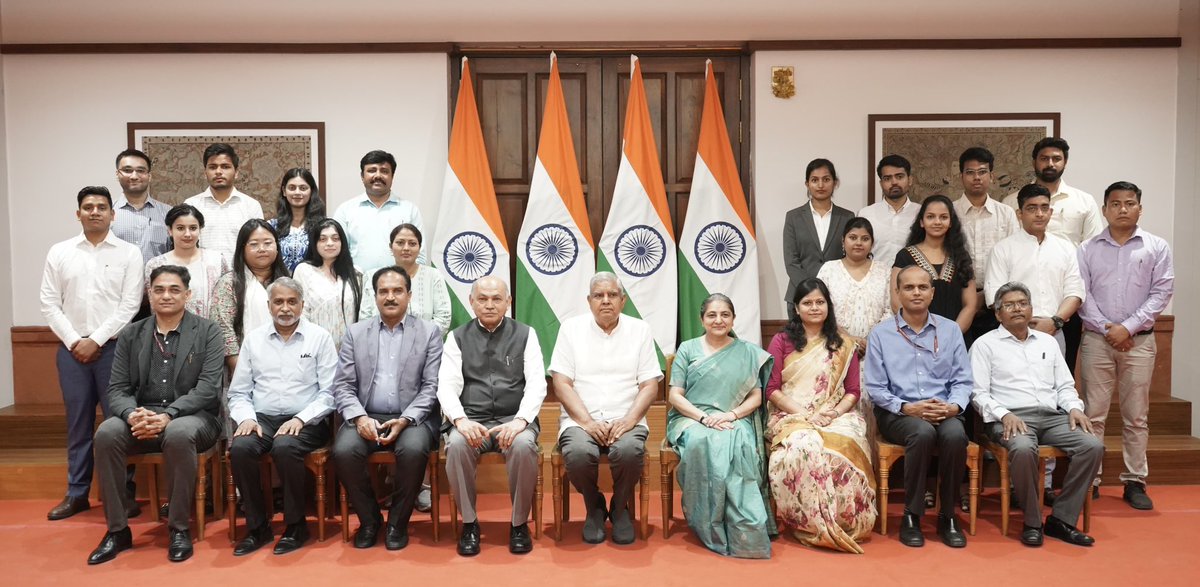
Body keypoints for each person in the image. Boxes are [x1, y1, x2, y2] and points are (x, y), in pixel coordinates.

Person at [87, 265, 225, 564]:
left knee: (177, 433)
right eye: (159, 289)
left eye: (174, 290)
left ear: (187, 294)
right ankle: (117, 530)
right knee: (107, 433)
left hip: (195, 416)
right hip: (143, 413)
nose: (166, 295)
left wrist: (169, 415)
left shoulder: (207, 331)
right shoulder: (132, 334)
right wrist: (131, 415)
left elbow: (208, 389)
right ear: (149, 294)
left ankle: (178, 528)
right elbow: (118, 389)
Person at [970, 282, 1103, 547]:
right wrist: (1004, 414)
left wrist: (1075, 408)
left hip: (1051, 416)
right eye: (1009, 305)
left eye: (1022, 303)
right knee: (1021, 447)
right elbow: (977, 393)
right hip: (1009, 418)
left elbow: (1065, 385)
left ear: (1031, 309)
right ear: (998, 314)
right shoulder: (985, 345)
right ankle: (1032, 521)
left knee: (1092, 446)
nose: (1017, 309)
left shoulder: (1048, 342)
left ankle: (1062, 520)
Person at [39, 186, 143, 522]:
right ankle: (77, 493)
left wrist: (96, 340)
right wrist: (75, 341)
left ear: (113, 214)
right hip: (72, 352)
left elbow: (130, 303)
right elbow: (49, 303)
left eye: (101, 207)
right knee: (78, 424)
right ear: (78, 214)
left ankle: (123, 495)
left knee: (119, 424)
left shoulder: (129, 253)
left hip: (115, 349)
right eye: (88, 207)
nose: (94, 212)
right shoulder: (60, 252)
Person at [1078, 181, 1174, 510]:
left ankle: (1135, 480)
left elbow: (1161, 293)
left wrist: (1127, 327)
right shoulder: (1087, 248)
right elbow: (1081, 293)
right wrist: (1109, 329)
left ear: (1139, 208)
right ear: (1104, 209)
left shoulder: (1156, 247)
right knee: (1094, 414)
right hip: (1096, 339)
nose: (1122, 209)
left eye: (1129, 203)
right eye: (1115, 203)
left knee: (1136, 417)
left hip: (1140, 342)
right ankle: (1089, 480)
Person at [332, 266, 442, 550]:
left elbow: (431, 386)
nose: (390, 297)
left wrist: (405, 419)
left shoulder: (429, 333)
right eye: (384, 291)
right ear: (375, 296)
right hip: (366, 414)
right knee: (344, 451)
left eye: (397, 291)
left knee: (414, 450)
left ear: (409, 295)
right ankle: (370, 521)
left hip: (413, 417)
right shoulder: (356, 333)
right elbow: (343, 386)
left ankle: (397, 522)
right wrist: (358, 417)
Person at [228, 277, 337, 556]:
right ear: (269, 306)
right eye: (278, 302)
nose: (285, 308)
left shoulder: (320, 338)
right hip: (262, 418)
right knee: (240, 448)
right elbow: (238, 392)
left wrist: (301, 419)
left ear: (302, 305)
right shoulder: (254, 340)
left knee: (285, 447)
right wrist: (247, 419)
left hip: (308, 420)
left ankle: (295, 525)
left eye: (291, 301)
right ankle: (257, 527)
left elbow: (330, 393)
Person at [865, 266, 973, 548]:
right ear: (898, 293)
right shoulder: (881, 334)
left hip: (942, 409)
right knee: (922, 433)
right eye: (909, 288)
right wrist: (908, 408)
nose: (916, 292)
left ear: (932, 293)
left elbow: (963, 380)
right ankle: (912, 515)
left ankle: (947, 515)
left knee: (955, 435)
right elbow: (876, 388)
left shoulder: (949, 330)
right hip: (898, 413)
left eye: (922, 287)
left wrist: (953, 407)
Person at [764, 279, 874, 553]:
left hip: (835, 414)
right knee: (800, 449)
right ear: (797, 308)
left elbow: (852, 391)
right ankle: (809, 523)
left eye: (819, 302)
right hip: (790, 414)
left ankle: (843, 521)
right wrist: (804, 413)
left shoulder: (844, 344)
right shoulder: (782, 341)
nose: (814, 307)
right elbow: (771, 388)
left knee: (843, 449)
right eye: (807, 303)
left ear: (828, 306)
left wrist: (832, 412)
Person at [550, 272, 660, 545]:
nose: (606, 301)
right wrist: (587, 422)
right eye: (599, 295)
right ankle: (594, 505)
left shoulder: (640, 330)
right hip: (580, 420)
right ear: (589, 301)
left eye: (612, 295)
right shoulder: (570, 329)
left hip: (627, 418)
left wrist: (629, 419)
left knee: (628, 451)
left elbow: (649, 384)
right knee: (576, 453)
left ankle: (620, 508)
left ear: (623, 300)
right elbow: (561, 382)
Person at [439, 276, 546, 556]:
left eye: (496, 299)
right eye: (482, 299)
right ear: (471, 302)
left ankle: (519, 523)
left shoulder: (526, 334)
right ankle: (470, 523)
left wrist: (521, 421)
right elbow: (446, 386)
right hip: (472, 420)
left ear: (508, 302)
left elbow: (537, 383)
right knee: (457, 446)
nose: (489, 305)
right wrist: (460, 421)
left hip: (514, 419)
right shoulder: (457, 337)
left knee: (523, 446)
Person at [667, 294, 773, 558]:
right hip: (690, 419)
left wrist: (731, 415)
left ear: (733, 319)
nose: (719, 320)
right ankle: (708, 524)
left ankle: (743, 530)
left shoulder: (747, 352)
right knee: (703, 442)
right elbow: (675, 395)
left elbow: (757, 397)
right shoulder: (688, 349)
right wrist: (703, 418)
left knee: (738, 442)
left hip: (733, 418)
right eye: (712, 315)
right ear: (702, 319)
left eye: (725, 314)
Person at [1002, 137, 1102, 378]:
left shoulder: (1083, 201)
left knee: (1061, 372)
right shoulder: (1010, 201)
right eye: (1044, 158)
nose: (1050, 163)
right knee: (1016, 374)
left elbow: (1094, 252)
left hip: (1066, 302)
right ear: (1034, 162)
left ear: (1065, 162)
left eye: (1056, 159)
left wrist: (1061, 316)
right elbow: (1008, 250)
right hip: (1020, 306)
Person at [985, 184, 1084, 355]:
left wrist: (1055, 322)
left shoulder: (1066, 248)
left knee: (1054, 382)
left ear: (1050, 212)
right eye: (1032, 208)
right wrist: (1022, 324)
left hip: (1054, 331)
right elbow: (995, 297)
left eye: (1044, 208)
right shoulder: (1002, 249)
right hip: (1013, 334)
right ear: (1019, 214)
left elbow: (1075, 293)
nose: (1039, 214)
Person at [952, 147, 1019, 345]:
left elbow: (1014, 258)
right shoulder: (949, 211)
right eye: (970, 172)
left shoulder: (1006, 213)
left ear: (991, 175)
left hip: (997, 302)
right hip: (957, 298)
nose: (976, 178)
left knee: (995, 361)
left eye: (982, 172)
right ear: (961, 176)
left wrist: (989, 295)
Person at [891, 194, 978, 333]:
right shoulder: (905, 256)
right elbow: (897, 302)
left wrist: (951, 336)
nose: (937, 222)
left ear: (951, 222)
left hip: (955, 338)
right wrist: (921, 334)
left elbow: (970, 305)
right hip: (914, 337)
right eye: (930, 217)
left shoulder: (961, 257)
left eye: (943, 217)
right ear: (921, 222)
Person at [212, 219, 290, 374]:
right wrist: (240, 369)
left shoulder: (287, 282)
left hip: (287, 365)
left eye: (268, 243)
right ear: (242, 249)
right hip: (243, 367)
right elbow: (224, 329)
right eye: (254, 244)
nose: (262, 249)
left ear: (277, 247)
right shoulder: (229, 283)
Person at [333, 150, 426, 278]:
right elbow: (336, 253)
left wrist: (405, 281)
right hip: (356, 285)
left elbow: (420, 256)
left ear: (392, 176)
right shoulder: (345, 210)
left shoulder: (409, 210)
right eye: (372, 170)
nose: (378, 175)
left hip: (399, 288)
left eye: (384, 171)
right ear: (362, 176)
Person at [782, 158, 854, 318]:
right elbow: (791, 261)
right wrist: (811, 291)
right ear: (807, 184)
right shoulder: (793, 217)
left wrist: (827, 291)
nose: (820, 185)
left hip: (836, 297)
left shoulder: (847, 217)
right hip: (800, 296)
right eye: (815, 180)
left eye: (826, 179)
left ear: (835, 183)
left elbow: (849, 258)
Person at [817, 217, 892, 356]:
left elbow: (890, 309)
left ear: (872, 243)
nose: (858, 243)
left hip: (876, 348)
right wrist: (848, 339)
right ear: (843, 241)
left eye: (865, 238)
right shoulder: (828, 270)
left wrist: (870, 340)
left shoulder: (885, 271)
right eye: (853, 237)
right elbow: (820, 309)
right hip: (835, 347)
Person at [144, 204, 230, 319]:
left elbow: (226, 304)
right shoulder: (156, 265)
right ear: (170, 230)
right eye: (180, 228)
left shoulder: (216, 260)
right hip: (170, 332)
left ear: (200, 230)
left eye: (193, 228)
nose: (187, 234)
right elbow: (155, 307)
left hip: (210, 333)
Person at [360, 223, 451, 332]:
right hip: (381, 345)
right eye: (400, 243)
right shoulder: (373, 277)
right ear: (391, 246)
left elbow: (443, 318)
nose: (406, 248)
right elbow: (365, 319)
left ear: (419, 247)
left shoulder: (434, 276)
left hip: (424, 345)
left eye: (412, 243)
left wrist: (415, 339)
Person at [184, 143, 264, 263]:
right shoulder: (191, 205)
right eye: (212, 167)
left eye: (225, 167)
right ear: (205, 172)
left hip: (240, 276)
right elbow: (183, 245)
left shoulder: (251, 205)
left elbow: (258, 245)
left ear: (236, 172)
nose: (218, 172)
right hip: (201, 276)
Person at [292, 218, 363, 349]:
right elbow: (300, 312)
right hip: (313, 347)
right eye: (323, 239)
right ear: (315, 243)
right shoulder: (304, 270)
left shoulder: (356, 273)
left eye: (335, 239)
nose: (330, 243)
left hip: (349, 350)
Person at [858, 154, 919, 267]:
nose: (894, 182)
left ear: (910, 180)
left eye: (899, 176)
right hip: (875, 280)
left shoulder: (921, 213)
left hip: (911, 281)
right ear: (881, 184)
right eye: (887, 178)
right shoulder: (866, 214)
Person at [111, 148, 171, 262]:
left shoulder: (168, 213)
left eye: (141, 170)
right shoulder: (106, 212)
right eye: (127, 170)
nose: (134, 176)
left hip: (157, 279)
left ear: (149, 176)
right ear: (117, 174)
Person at [269, 168, 325, 272]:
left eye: (303, 188)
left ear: (311, 191)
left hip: (312, 284)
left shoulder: (323, 227)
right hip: (279, 285)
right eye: (292, 188)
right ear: (284, 191)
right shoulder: (272, 227)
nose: (297, 192)